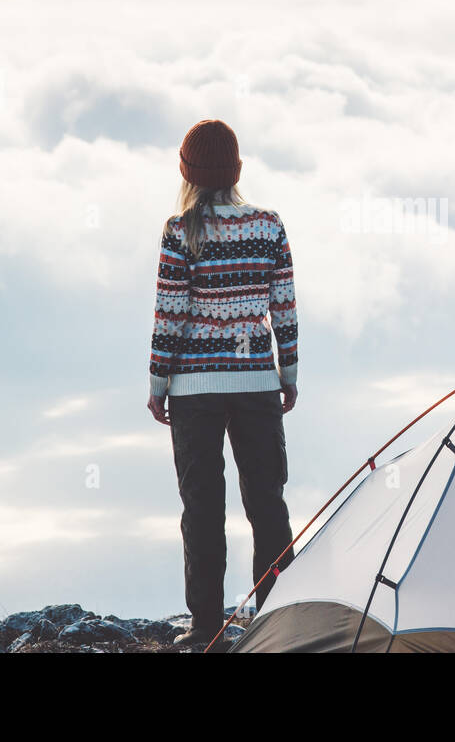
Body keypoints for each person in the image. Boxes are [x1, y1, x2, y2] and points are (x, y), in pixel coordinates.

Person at [146, 118, 298, 651]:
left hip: (193, 389)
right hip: (257, 383)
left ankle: (207, 627)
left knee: (203, 508)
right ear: (236, 169)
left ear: (187, 172)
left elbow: (171, 314)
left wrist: (158, 382)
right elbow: (284, 308)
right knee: (267, 502)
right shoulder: (268, 225)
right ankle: (278, 621)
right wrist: (289, 373)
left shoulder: (179, 229)